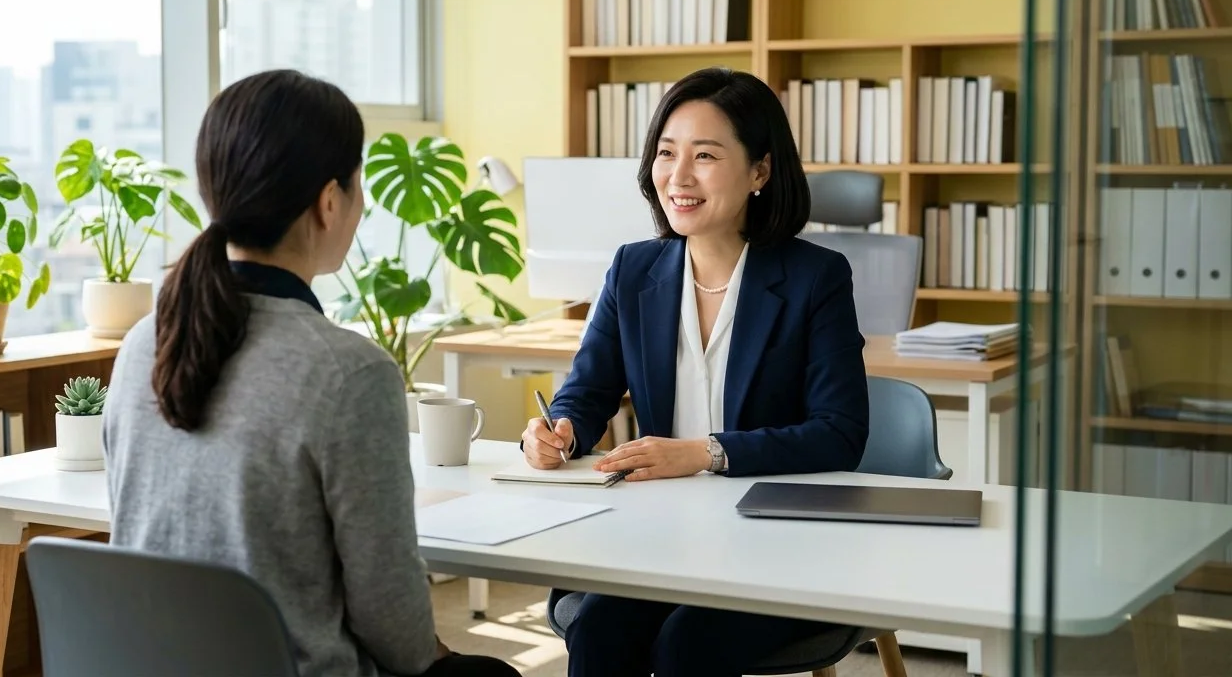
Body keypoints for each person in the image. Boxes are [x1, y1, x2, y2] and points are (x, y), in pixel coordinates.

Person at [102, 69, 521, 677]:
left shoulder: (145, 342)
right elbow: (396, 629)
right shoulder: (349, 373)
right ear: (330, 201)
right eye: (358, 184)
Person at [521, 66, 870, 677]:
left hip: (776, 541)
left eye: (704, 155)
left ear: (760, 171)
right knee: (598, 629)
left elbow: (840, 432)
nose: (678, 177)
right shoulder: (633, 270)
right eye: (666, 153)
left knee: (688, 646)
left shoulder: (818, 277)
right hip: (662, 536)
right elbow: (588, 389)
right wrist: (560, 429)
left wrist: (706, 453)